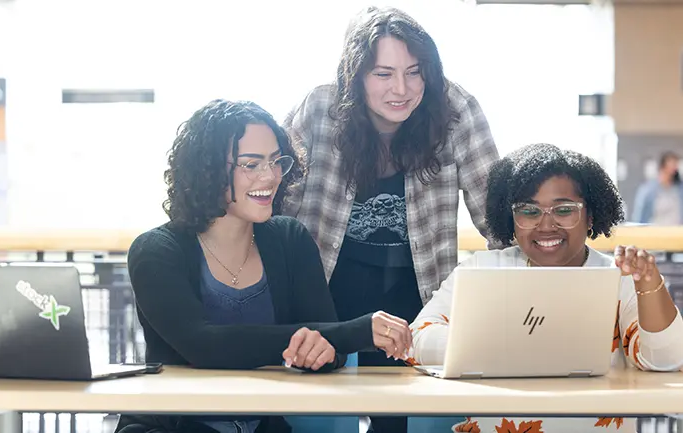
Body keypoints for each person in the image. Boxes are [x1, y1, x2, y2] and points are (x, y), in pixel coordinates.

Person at [116, 100, 412, 433]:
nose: (269, 176)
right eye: (251, 164)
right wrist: (354, 333)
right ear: (208, 170)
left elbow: (330, 345)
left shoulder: (289, 239)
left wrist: (321, 353)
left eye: (275, 162)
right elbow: (204, 345)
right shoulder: (156, 250)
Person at [283, 6, 499, 432]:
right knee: (323, 422)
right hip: (329, 297)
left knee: (414, 422)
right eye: (383, 74)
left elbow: (498, 217)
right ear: (355, 75)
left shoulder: (454, 110)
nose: (400, 89)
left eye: (414, 72)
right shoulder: (320, 109)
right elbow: (274, 202)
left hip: (418, 300)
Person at [409, 143, 683, 433]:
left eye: (564, 210)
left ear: (590, 216)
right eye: (529, 211)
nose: (546, 225)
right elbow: (418, 338)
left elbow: (666, 360)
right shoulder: (483, 269)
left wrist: (649, 283)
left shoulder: (619, 277)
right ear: (511, 220)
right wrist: (491, 343)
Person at [632, 151, 683, 224]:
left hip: (676, 233)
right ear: (663, 167)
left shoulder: (679, 189)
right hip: (656, 232)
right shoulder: (648, 190)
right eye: (672, 165)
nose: (674, 169)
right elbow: (639, 216)